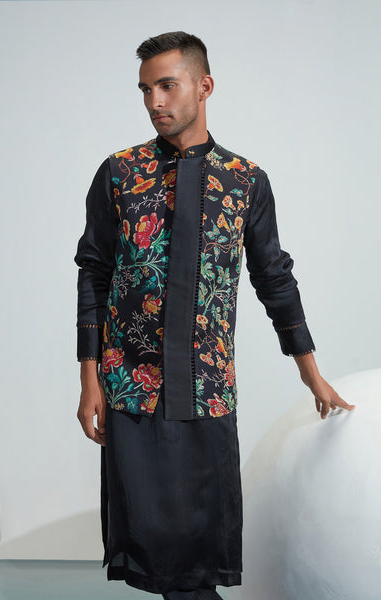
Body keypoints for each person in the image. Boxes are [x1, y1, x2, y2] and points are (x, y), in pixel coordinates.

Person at [74, 31, 355, 600]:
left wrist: (311, 374)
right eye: (145, 89)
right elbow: (93, 275)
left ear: (204, 86)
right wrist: (90, 380)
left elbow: (274, 277)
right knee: (155, 552)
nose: (155, 101)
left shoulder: (244, 181)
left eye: (167, 85)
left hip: (207, 390)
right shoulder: (119, 173)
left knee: (201, 555)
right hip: (131, 390)